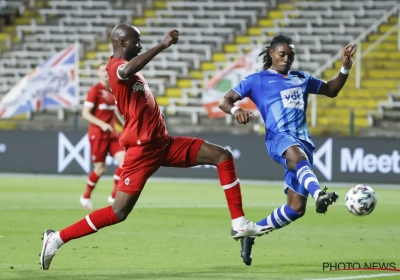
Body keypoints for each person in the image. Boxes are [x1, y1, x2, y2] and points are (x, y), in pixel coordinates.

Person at [39, 24, 273, 270]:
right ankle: (56, 239)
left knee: (222, 156)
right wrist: (162, 45)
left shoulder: (127, 72)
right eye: (135, 41)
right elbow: (126, 70)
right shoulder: (115, 67)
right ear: (121, 43)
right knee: (118, 212)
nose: (139, 45)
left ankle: (239, 222)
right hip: (142, 151)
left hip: (163, 143)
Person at [218, 34, 356, 266]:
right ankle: (319, 194)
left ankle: (252, 232)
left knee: (296, 208)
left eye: (290, 56)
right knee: (297, 157)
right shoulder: (257, 80)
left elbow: (331, 90)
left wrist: (344, 68)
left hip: (304, 143)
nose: (286, 59)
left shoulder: (301, 78)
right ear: (271, 53)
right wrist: (236, 111)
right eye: (282, 54)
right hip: (279, 139)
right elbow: (225, 100)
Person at [80, 63, 125, 209]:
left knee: (125, 162)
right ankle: (85, 196)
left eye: (107, 71)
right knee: (100, 169)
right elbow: (85, 113)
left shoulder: (112, 91)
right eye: (102, 71)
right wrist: (102, 124)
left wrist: (124, 125)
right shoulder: (95, 91)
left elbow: (113, 112)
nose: (105, 73)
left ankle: (113, 196)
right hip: (98, 134)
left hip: (112, 134)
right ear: (98, 73)